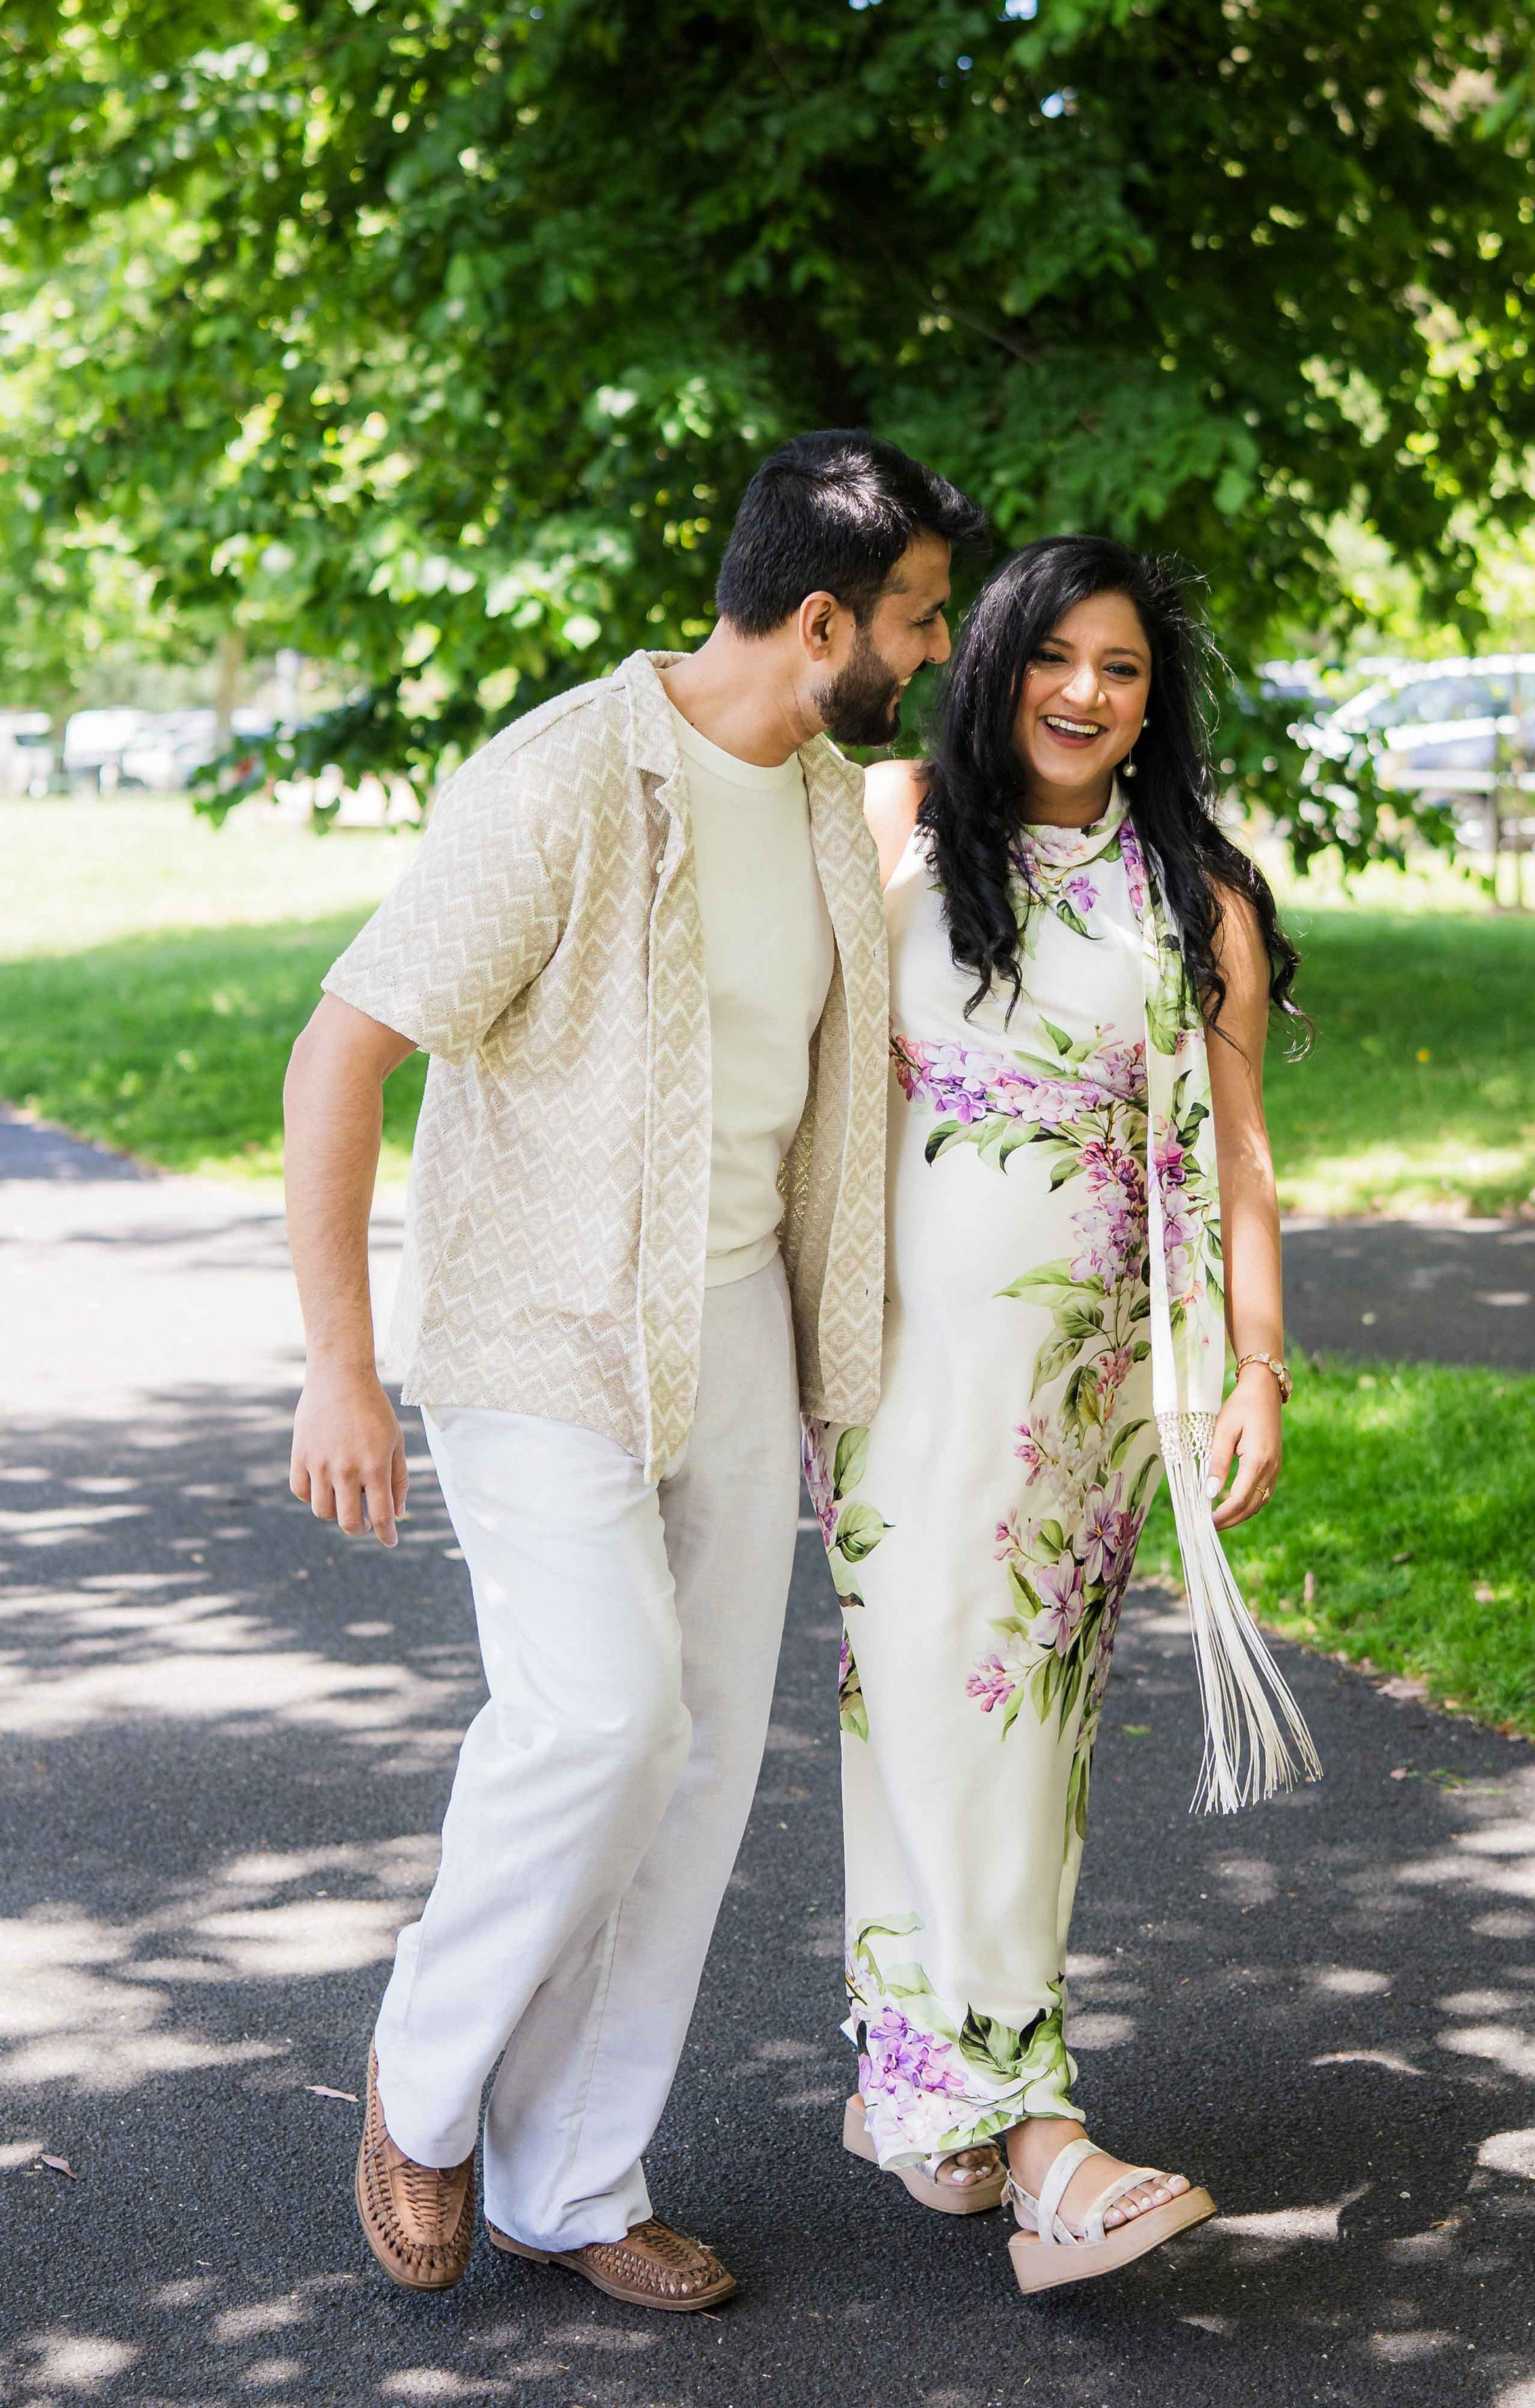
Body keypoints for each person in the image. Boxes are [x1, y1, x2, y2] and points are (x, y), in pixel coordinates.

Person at [282, 431, 987, 2307]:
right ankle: (422, 2088)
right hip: (541, 1328)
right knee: (600, 1720)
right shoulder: (564, 783)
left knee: (695, 1771)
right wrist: (339, 1369)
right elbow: (339, 1052)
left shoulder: (832, 800)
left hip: (741, 1319)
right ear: (822, 614)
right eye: (913, 620)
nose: (925, 652)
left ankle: (575, 2182)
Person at [806, 534, 1320, 2295]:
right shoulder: (893, 828)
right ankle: (1037, 2140)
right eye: (1058, 657)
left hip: (1097, 1401)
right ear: (999, 660)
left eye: (1123, 669)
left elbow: (1238, 1164)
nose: (1087, 694)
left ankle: (928, 2087)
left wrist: (1253, 1368)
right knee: (941, 1718)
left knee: (1019, 1740)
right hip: (901, 1384)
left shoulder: (1199, 899)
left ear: (1150, 701)